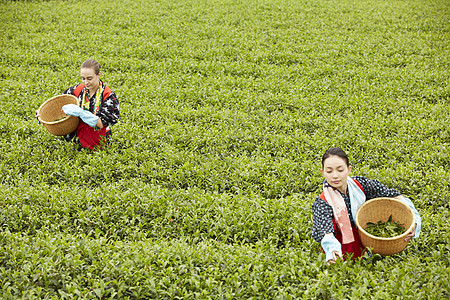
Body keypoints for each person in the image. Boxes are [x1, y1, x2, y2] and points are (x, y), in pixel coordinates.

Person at [311, 147, 421, 265]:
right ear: (322, 172)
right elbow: (325, 231)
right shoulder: (323, 201)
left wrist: (414, 219)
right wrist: (333, 250)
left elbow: (392, 195)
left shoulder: (360, 184)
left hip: (365, 236)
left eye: (340, 170)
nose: (335, 176)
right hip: (342, 244)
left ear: (348, 170)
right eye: (329, 171)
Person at [36, 59, 120, 149]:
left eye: (89, 78)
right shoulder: (77, 90)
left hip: (100, 141)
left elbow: (101, 123)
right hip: (77, 141)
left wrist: (81, 113)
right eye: (83, 78)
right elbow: (58, 105)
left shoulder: (108, 95)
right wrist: (43, 115)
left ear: (98, 74)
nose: (86, 82)